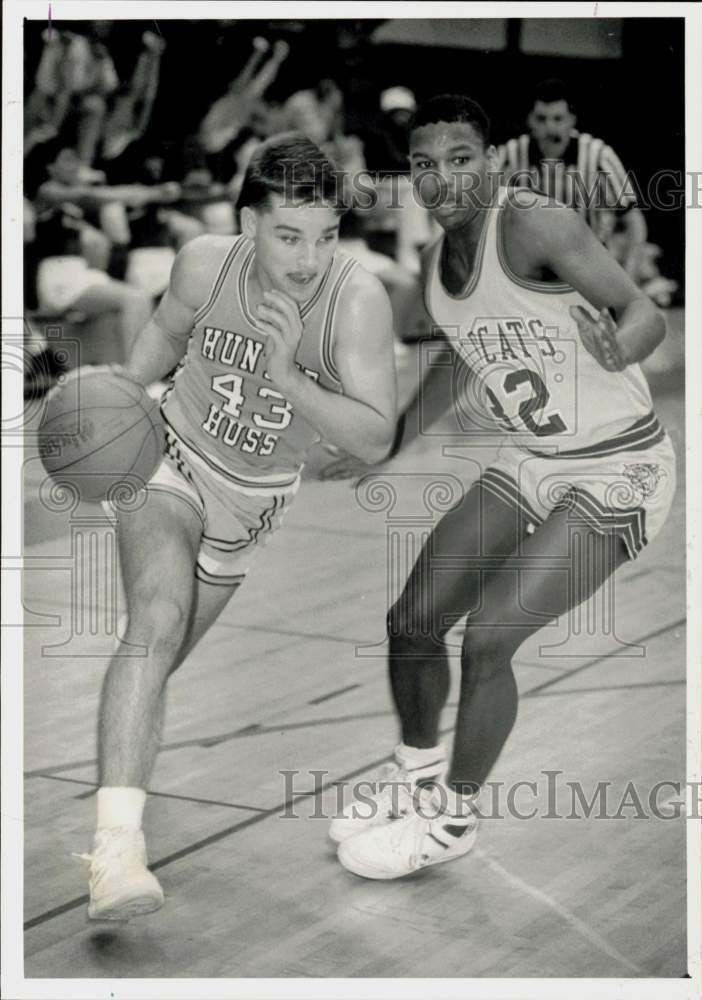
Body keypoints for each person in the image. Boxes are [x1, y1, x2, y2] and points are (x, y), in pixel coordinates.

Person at [330, 94, 676, 880]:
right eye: (424, 163)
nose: (442, 176)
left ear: (491, 161)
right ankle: (416, 782)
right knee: (412, 620)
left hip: (619, 464)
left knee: (489, 637)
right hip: (531, 457)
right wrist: (388, 446)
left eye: (460, 158)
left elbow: (645, 313)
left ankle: (452, 822)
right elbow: (461, 358)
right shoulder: (434, 265)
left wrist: (618, 351)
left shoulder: (534, 224)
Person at [76, 133, 397, 920]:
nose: (307, 258)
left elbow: (373, 437)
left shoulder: (356, 300)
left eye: (324, 236)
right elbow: (161, 338)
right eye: (288, 234)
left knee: (160, 653)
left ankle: (124, 763)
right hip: (170, 456)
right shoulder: (202, 264)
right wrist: (114, 399)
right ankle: (114, 857)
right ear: (247, 220)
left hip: (253, 502)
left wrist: (289, 376)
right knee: (156, 619)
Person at [496, 79, 647, 278]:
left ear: (572, 120)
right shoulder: (510, 155)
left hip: (589, 270)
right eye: (541, 119)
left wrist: (628, 275)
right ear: (530, 120)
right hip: (530, 272)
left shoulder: (598, 156)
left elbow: (633, 221)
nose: (550, 128)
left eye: (558, 119)